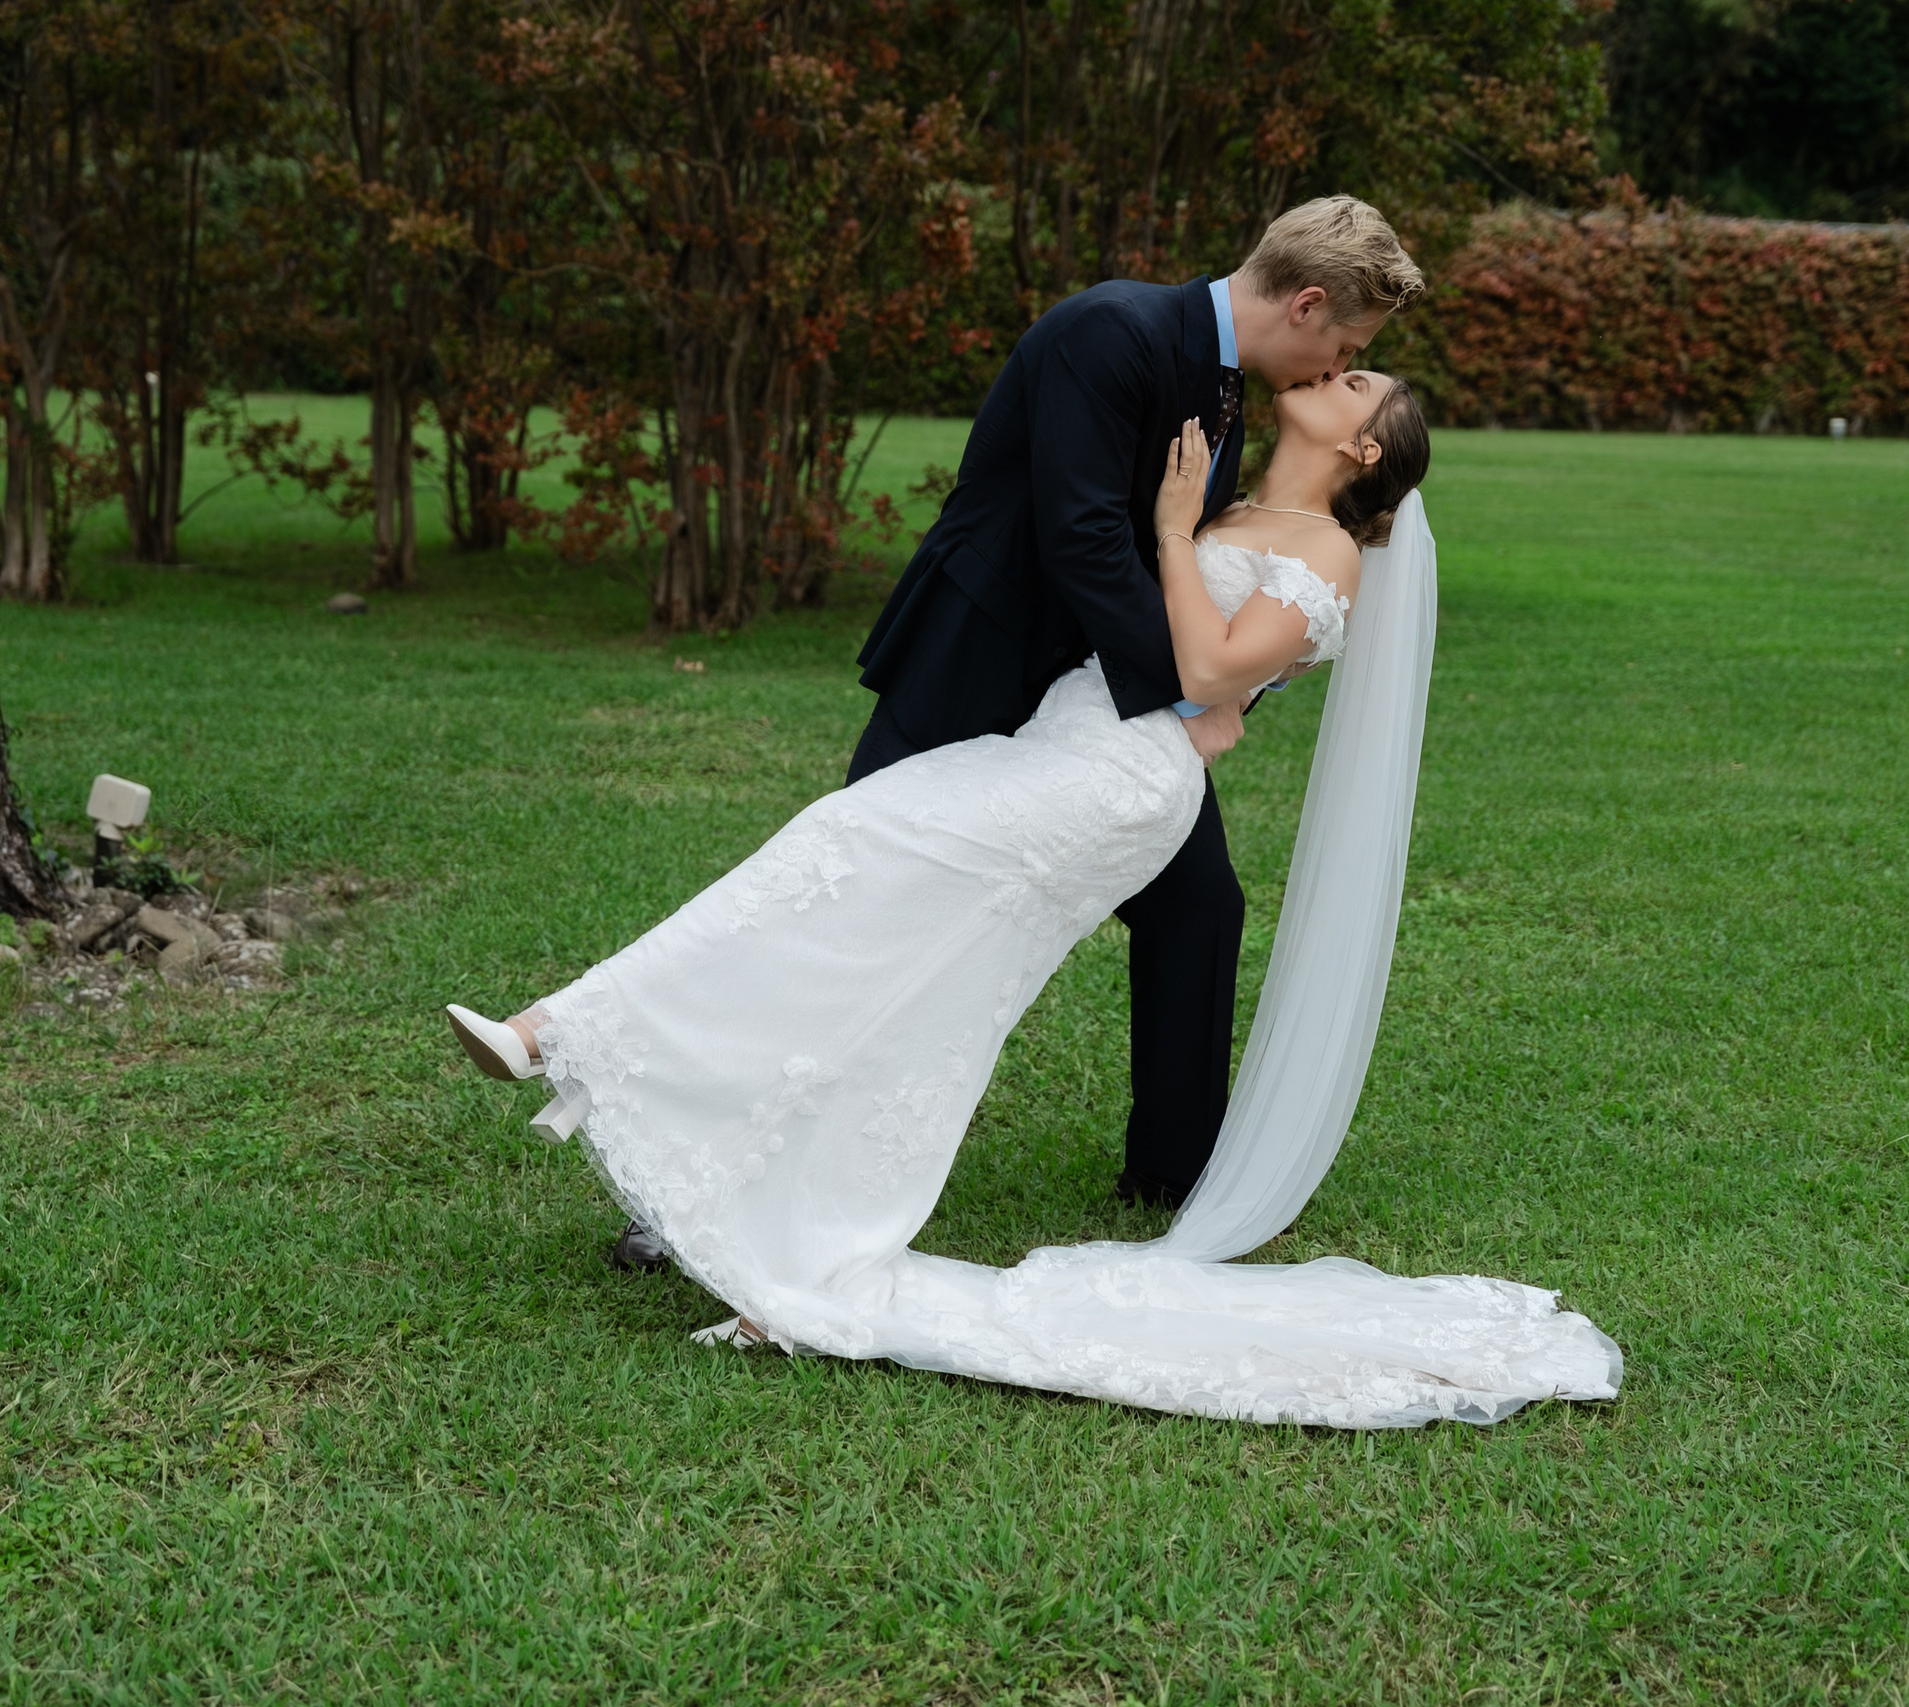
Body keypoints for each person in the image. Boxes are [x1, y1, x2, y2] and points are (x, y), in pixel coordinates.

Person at [445, 364, 1623, 1428]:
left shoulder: (1326, 551)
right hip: (1062, 745)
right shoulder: (1232, 508)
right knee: (923, 980)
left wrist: (1172, 535)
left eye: (1359, 383)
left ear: (1364, 448)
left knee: (849, 845)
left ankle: (563, 1032)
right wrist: (1187, 550)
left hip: (1115, 785)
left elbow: (1210, 671)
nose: (1336, 371)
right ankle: (784, 1248)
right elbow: (1200, 687)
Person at [603, 194, 1429, 1273]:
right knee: (852, 905)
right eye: (1347, 349)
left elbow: (1225, 588)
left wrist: (1218, 686)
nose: (1336, 368)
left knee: (1198, 907)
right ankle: (694, 1192)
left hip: (1094, 716)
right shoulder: (1113, 331)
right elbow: (1082, 540)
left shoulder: (1235, 396)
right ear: (1308, 304)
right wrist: (1194, 696)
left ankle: (1178, 1174)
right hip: (978, 666)